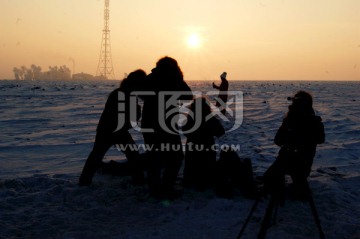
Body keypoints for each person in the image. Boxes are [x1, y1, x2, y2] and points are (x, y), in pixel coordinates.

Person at [78, 69, 147, 186]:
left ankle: (84, 180)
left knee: (97, 155)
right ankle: (138, 179)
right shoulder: (125, 94)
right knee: (131, 153)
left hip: (109, 129)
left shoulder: (123, 92)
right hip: (113, 130)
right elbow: (127, 117)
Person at [141, 56, 193, 199]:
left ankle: (155, 190)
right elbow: (188, 94)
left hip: (150, 123)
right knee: (175, 157)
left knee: (154, 158)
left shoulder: (151, 78)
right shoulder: (172, 79)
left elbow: (140, 94)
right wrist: (178, 78)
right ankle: (165, 188)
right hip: (165, 124)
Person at [263, 90, 325, 198]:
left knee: (271, 179)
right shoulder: (314, 121)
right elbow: (320, 139)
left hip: (288, 162)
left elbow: (278, 140)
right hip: (303, 165)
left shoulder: (290, 121)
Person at [182, 97, 225, 191]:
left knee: (191, 163)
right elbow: (221, 132)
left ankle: (190, 180)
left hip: (193, 149)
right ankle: (204, 180)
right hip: (207, 148)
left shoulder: (190, 118)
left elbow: (184, 130)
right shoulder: (210, 118)